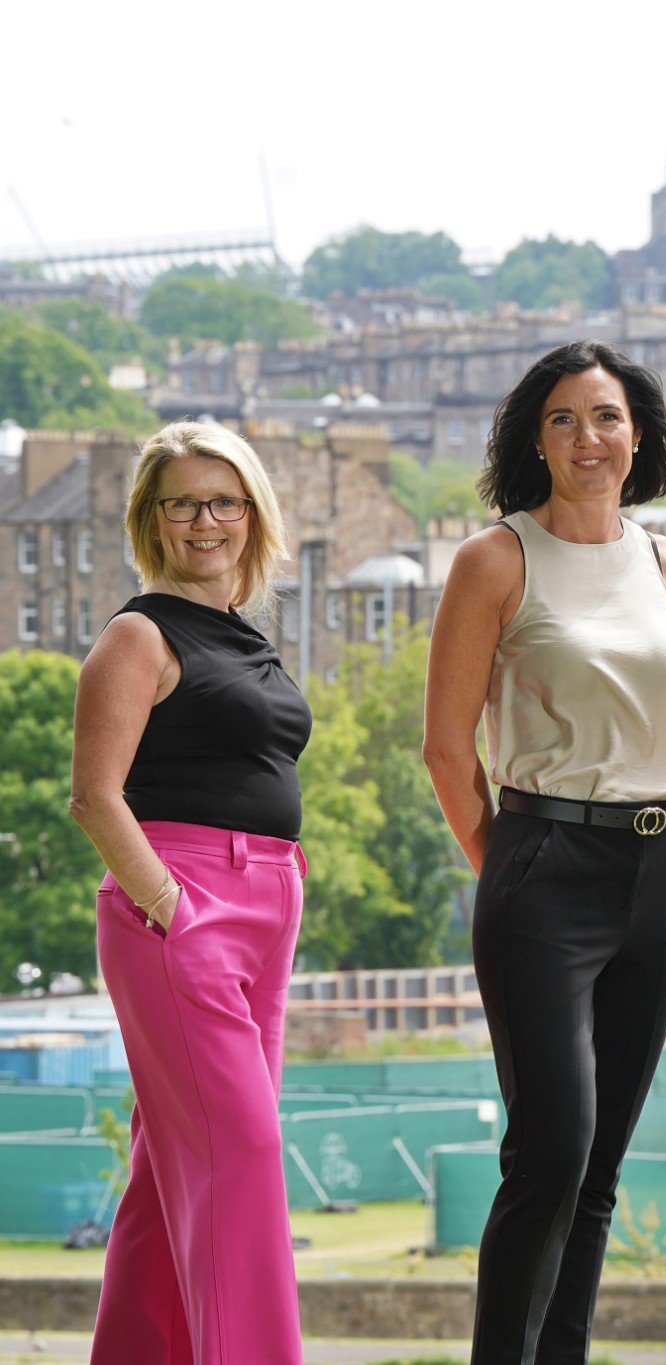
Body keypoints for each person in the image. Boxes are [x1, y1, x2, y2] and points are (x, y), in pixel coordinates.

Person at [423, 340, 666, 1365]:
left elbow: (649, 712)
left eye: (606, 417)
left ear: (639, 435)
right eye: (562, 420)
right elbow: (448, 749)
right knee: (549, 1151)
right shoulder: (495, 559)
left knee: (599, 1170)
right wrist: (511, 869)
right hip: (545, 859)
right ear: (532, 440)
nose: (587, 439)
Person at [69, 422, 310, 1364]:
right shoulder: (138, 633)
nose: (205, 519)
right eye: (183, 502)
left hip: (266, 914)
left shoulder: (244, 636)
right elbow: (96, 795)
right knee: (240, 1160)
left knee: (175, 1166)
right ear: (152, 518)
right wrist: (173, 907)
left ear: (252, 514)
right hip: (182, 911)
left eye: (225, 500)